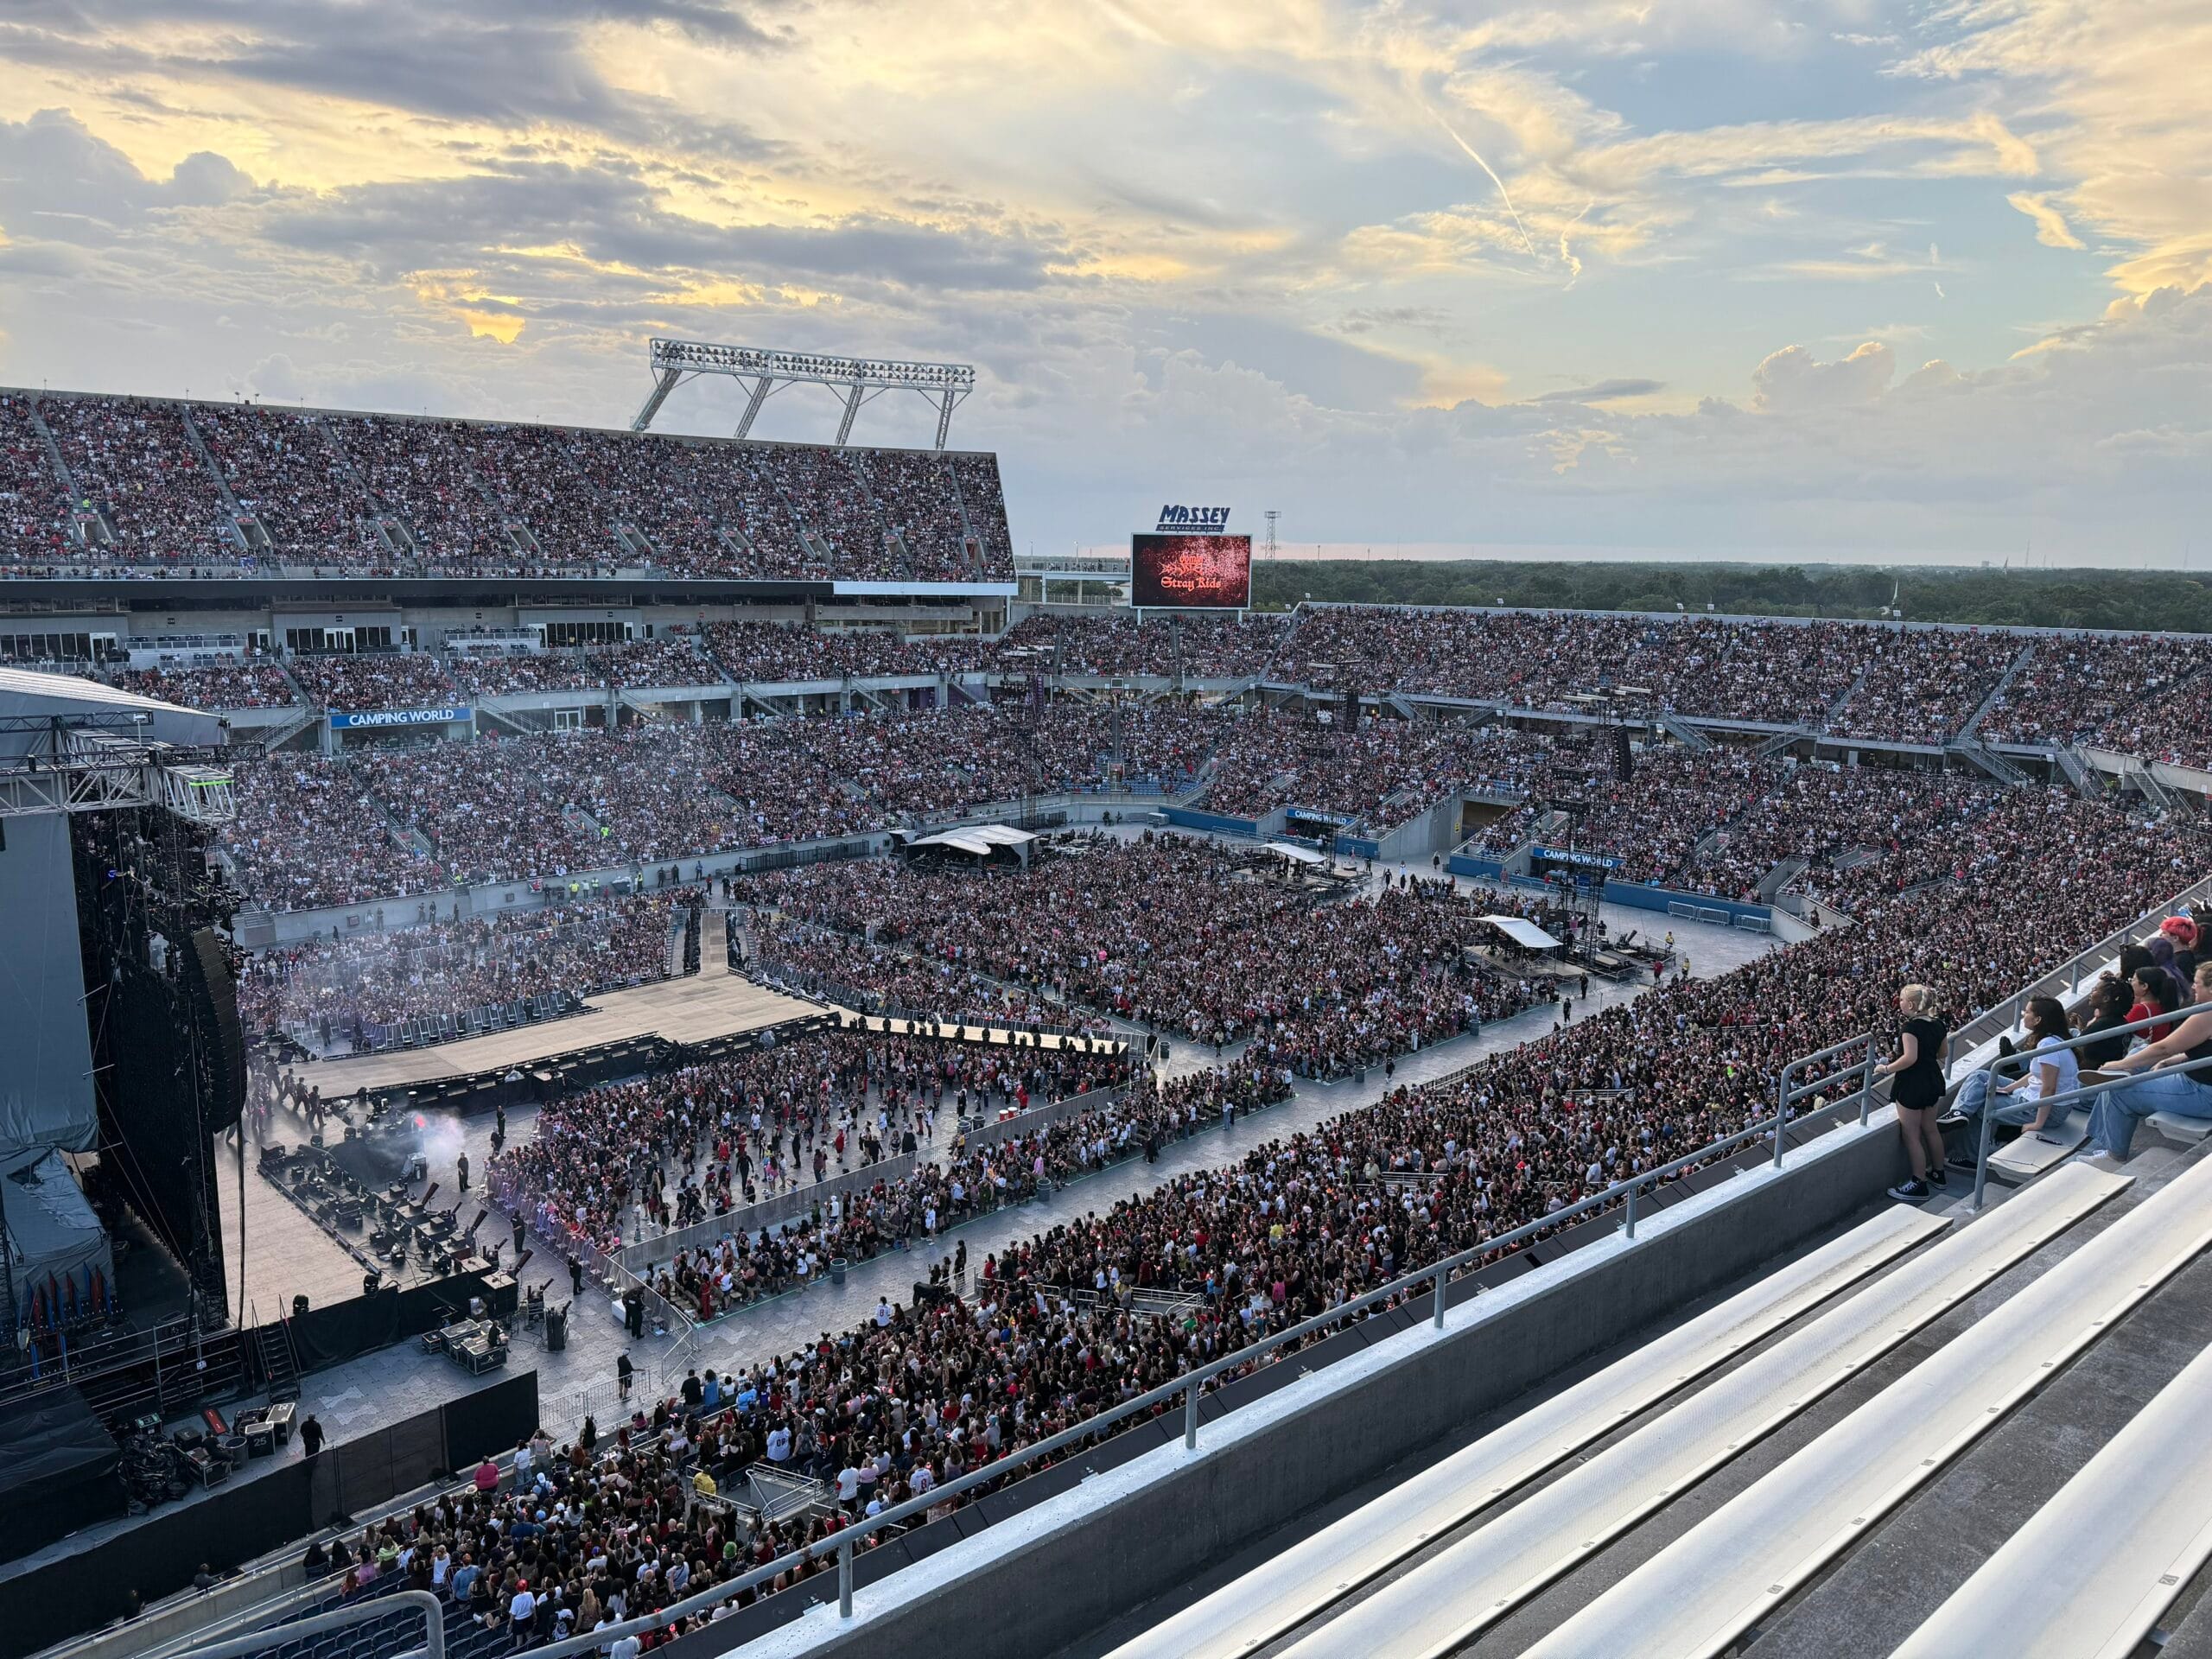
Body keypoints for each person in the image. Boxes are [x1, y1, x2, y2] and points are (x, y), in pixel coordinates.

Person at [2082, 960, 2212, 1165]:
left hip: (2202, 1092)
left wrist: (2119, 1064)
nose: (2193, 986)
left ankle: (2112, 1155)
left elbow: (2163, 1048)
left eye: (2198, 983)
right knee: (2140, 1051)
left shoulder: (2207, 1015)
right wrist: (2170, 1062)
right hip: (2200, 1081)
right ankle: (2125, 1079)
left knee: (2117, 1090)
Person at [1950, 995, 2077, 1144]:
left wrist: (2038, 1124)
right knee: (1980, 1076)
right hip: (2040, 1100)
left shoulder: (2048, 1045)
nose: (2024, 1014)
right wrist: (2008, 1088)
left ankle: (1970, 1157)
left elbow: (2049, 1088)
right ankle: (1959, 1113)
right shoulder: (2054, 1039)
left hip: (2050, 1111)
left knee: (1982, 1105)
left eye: (2028, 1012)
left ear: (2038, 1020)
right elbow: (2037, 1075)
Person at [1878, 984, 1950, 1202]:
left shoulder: (1910, 1028)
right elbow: (1943, 1053)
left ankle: (1919, 1183)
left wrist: (1886, 1069)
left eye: (1901, 999)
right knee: (1931, 1129)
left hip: (1912, 1083)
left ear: (1910, 1005)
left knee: (1911, 1134)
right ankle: (1939, 1174)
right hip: (1933, 1079)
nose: (1899, 1002)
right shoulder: (1939, 1024)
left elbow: (1910, 1058)